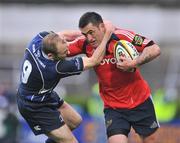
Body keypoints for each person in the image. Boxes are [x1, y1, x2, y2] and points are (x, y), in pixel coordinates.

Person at [66, 12, 161, 143]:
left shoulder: (121, 36)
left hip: (140, 101)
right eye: (84, 34)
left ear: (101, 27)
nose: (89, 38)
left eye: (91, 32)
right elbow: (61, 49)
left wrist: (134, 62)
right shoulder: (84, 44)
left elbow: (154, 48)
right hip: (113, 107)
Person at [17, 25, 113, 143]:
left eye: (65, 45)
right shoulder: (55, 68)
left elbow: (64, 35)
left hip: (44, 94)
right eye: (65, 52)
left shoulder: (39, 38)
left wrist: (90, 35)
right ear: (51, 56)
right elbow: (94, 60)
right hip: (34, 106)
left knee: (75, 121)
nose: (68, 51)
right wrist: (106, 37)